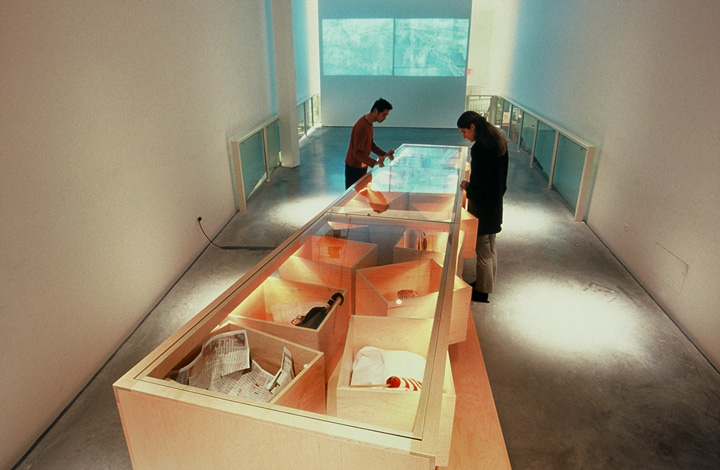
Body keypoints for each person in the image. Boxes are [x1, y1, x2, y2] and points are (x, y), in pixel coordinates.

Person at [457, 111, 509, 303]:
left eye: (464, 131)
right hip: (494, 204)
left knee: (484, 251)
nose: (464, 136)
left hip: (483, 208)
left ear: (472, 127)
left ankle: (482, 291)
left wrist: (468, 188)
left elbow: (481, 182)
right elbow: (499, 180)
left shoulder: (480, 148)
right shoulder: (498, 141)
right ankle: (487, 284)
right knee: (490, 247)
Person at [344, 98, 395, 189]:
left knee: (361, 193)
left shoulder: (369, 124)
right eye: (383, 115)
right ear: (375, 111)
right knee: (352, 196)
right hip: (354, 168)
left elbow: (370, 144)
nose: (384, 118)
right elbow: (357, 153)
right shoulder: (362, 127)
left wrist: (384, 154)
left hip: (362, 165)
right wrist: (374, 163)